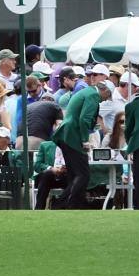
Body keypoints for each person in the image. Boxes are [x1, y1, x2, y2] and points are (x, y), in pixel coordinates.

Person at [51, 81, 112, 209]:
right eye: (108, 96)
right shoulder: (93, 95)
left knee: (74, 175)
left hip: (66, 134)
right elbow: (84, 118)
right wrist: (85, 140)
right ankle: (68, 204)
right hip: (73, 136)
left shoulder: (87, 92)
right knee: (83, 174)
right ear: (105, 90)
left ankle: (65, 204)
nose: (106, 100)